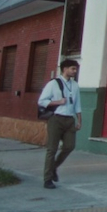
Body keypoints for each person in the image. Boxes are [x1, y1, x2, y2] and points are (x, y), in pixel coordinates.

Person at [38, 59, 81, 189]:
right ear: (65, 69)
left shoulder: (75, 85)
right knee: (52, 148)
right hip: (56, 119)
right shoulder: (53, 84)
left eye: (75, 69)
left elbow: (77, 104)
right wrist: (57, 102)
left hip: (69, 119)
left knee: (70, 146)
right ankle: (47, 179)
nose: (75, 71)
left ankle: (54, 167)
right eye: (72, 69)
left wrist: (79, 120)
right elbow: (41, 101)